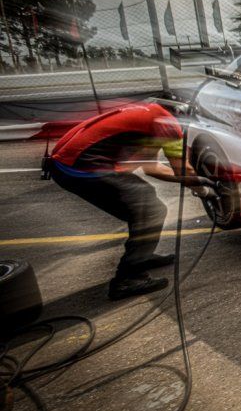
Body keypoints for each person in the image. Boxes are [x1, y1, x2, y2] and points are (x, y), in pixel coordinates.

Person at [47, 100, 213, 299]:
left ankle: (141, 255)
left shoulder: (152, 116)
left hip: (66, 165)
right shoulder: (170, 124)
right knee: (149, 211)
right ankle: (128, 279)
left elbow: (151, 168)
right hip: (80, 166)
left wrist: (195, 183)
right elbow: (182, 170)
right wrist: (205, 190)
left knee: (143, 208)